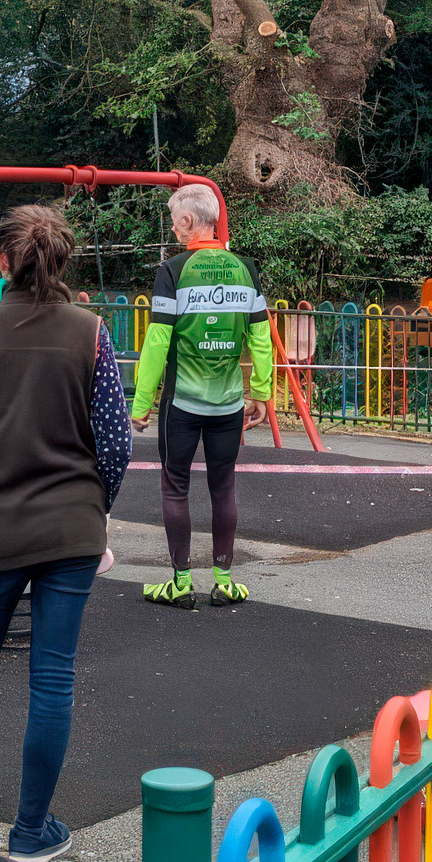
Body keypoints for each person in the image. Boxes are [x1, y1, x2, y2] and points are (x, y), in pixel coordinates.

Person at [0, 204, 131, 862]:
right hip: (70, 527)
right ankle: (31, 831)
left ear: (1, 261)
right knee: (52, 679)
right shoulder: (90, 333)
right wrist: (95, 506)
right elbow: (116, 441)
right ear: (63, 258)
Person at [129, 183, 272, 609]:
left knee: (175, 488)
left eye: (175, 222)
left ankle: (181, 583)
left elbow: (157, 343)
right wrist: (261, 391)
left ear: (190, 222)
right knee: (222, 486)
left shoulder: (172, 271)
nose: (173, 230)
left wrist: (141, 404)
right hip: (228, 403)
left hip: (181, 405)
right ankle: (225, 581)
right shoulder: (246, 268)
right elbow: (261, 337)